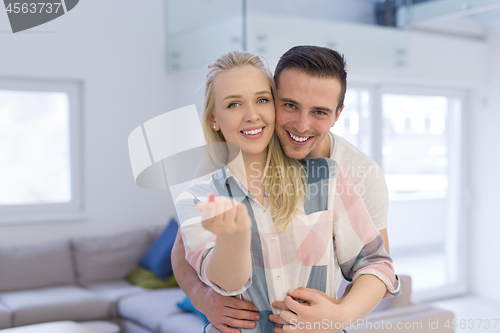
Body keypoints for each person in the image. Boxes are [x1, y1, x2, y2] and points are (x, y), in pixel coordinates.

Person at [174, 51, 399, 333]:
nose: (301, 125)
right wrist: (203, 297)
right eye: (290, 105)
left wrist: (336, 316)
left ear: (337, 115)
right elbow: (183, 249)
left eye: (319, 111)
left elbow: (377, 266)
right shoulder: (211, 176)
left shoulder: (348, 174)